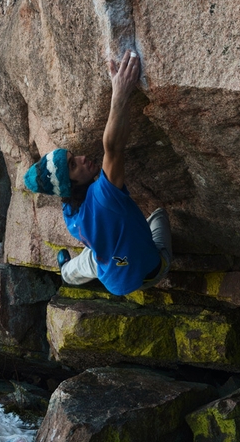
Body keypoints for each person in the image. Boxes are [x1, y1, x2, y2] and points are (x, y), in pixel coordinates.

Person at [24, 50, 172, 296]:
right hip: (149, 271)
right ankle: (81, 267)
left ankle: (66, 273)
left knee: (90, 259)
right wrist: (120, 93)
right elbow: (113, 148)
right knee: (158, 216)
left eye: (73, 157)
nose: (82, 159)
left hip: (113, 274)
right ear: (70, 184)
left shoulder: (70, 210)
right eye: (74, 166)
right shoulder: (104, 196)